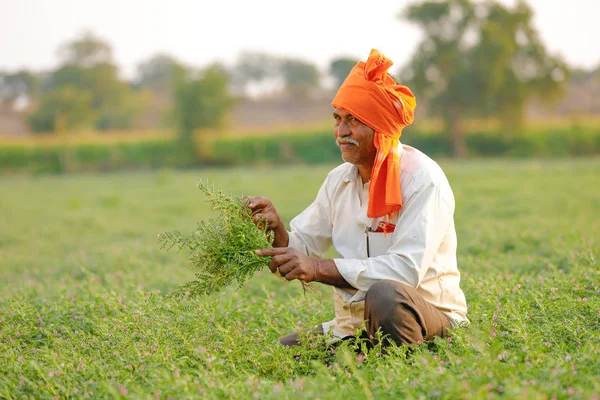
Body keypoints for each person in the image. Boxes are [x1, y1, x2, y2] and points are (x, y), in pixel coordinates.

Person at [246, 49, 468, 348]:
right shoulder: (339, 180)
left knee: (386, 295)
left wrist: (318, 268)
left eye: (354, 120)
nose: (340, 132)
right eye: (337, 119)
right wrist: (275, 230)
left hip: (429, 321)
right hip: (353, 326)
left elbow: (404, 272)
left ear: (380, 129)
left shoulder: (422, 180)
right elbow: (302, 250)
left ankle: (412, 371)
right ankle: (364, 356)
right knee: (283, 353)